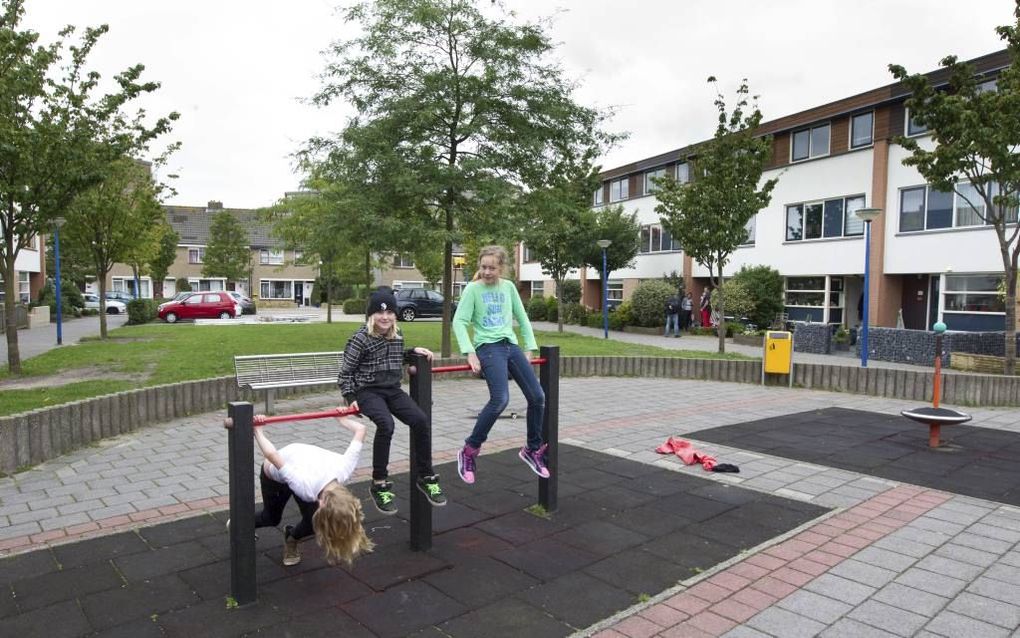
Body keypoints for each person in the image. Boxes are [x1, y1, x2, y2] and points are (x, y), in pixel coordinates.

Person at [338, 288, 447, 515]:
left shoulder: (397, 335)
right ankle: (379, 483)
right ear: (371, 316)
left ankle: (425, 476)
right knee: (386, 425)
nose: (384, 317)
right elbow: (345, 373)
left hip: (392, 389)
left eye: (389, 313)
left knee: (420, 420)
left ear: (395, 315)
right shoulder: (360, 339)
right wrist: (350, 398)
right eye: (379, 313)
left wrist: (413, 352)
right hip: (368, 391)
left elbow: (393, 355)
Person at [453, 245, 548, 484]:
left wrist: (529, 346)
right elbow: (459, 321)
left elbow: (522, 317)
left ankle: (532, 449)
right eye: (483, 267)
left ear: (501, 268)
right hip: (488, 347)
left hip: (510, 345)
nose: (486, 272)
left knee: (537, 397)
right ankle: (469, 450)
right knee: (500, 399)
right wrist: (470, 352)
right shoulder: (473, 290)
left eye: (492, 268)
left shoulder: (508, 288)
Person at [252, 416, 374, 567]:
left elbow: (361, 430)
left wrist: (342, 418)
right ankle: (238, 523)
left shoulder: (346, 469)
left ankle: (291, 537)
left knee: (312, 524)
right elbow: (271, 455)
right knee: (271, 518)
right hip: (274, 473)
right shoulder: (305, 486)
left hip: (299, 463)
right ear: (320, 503)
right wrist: (257, 430)